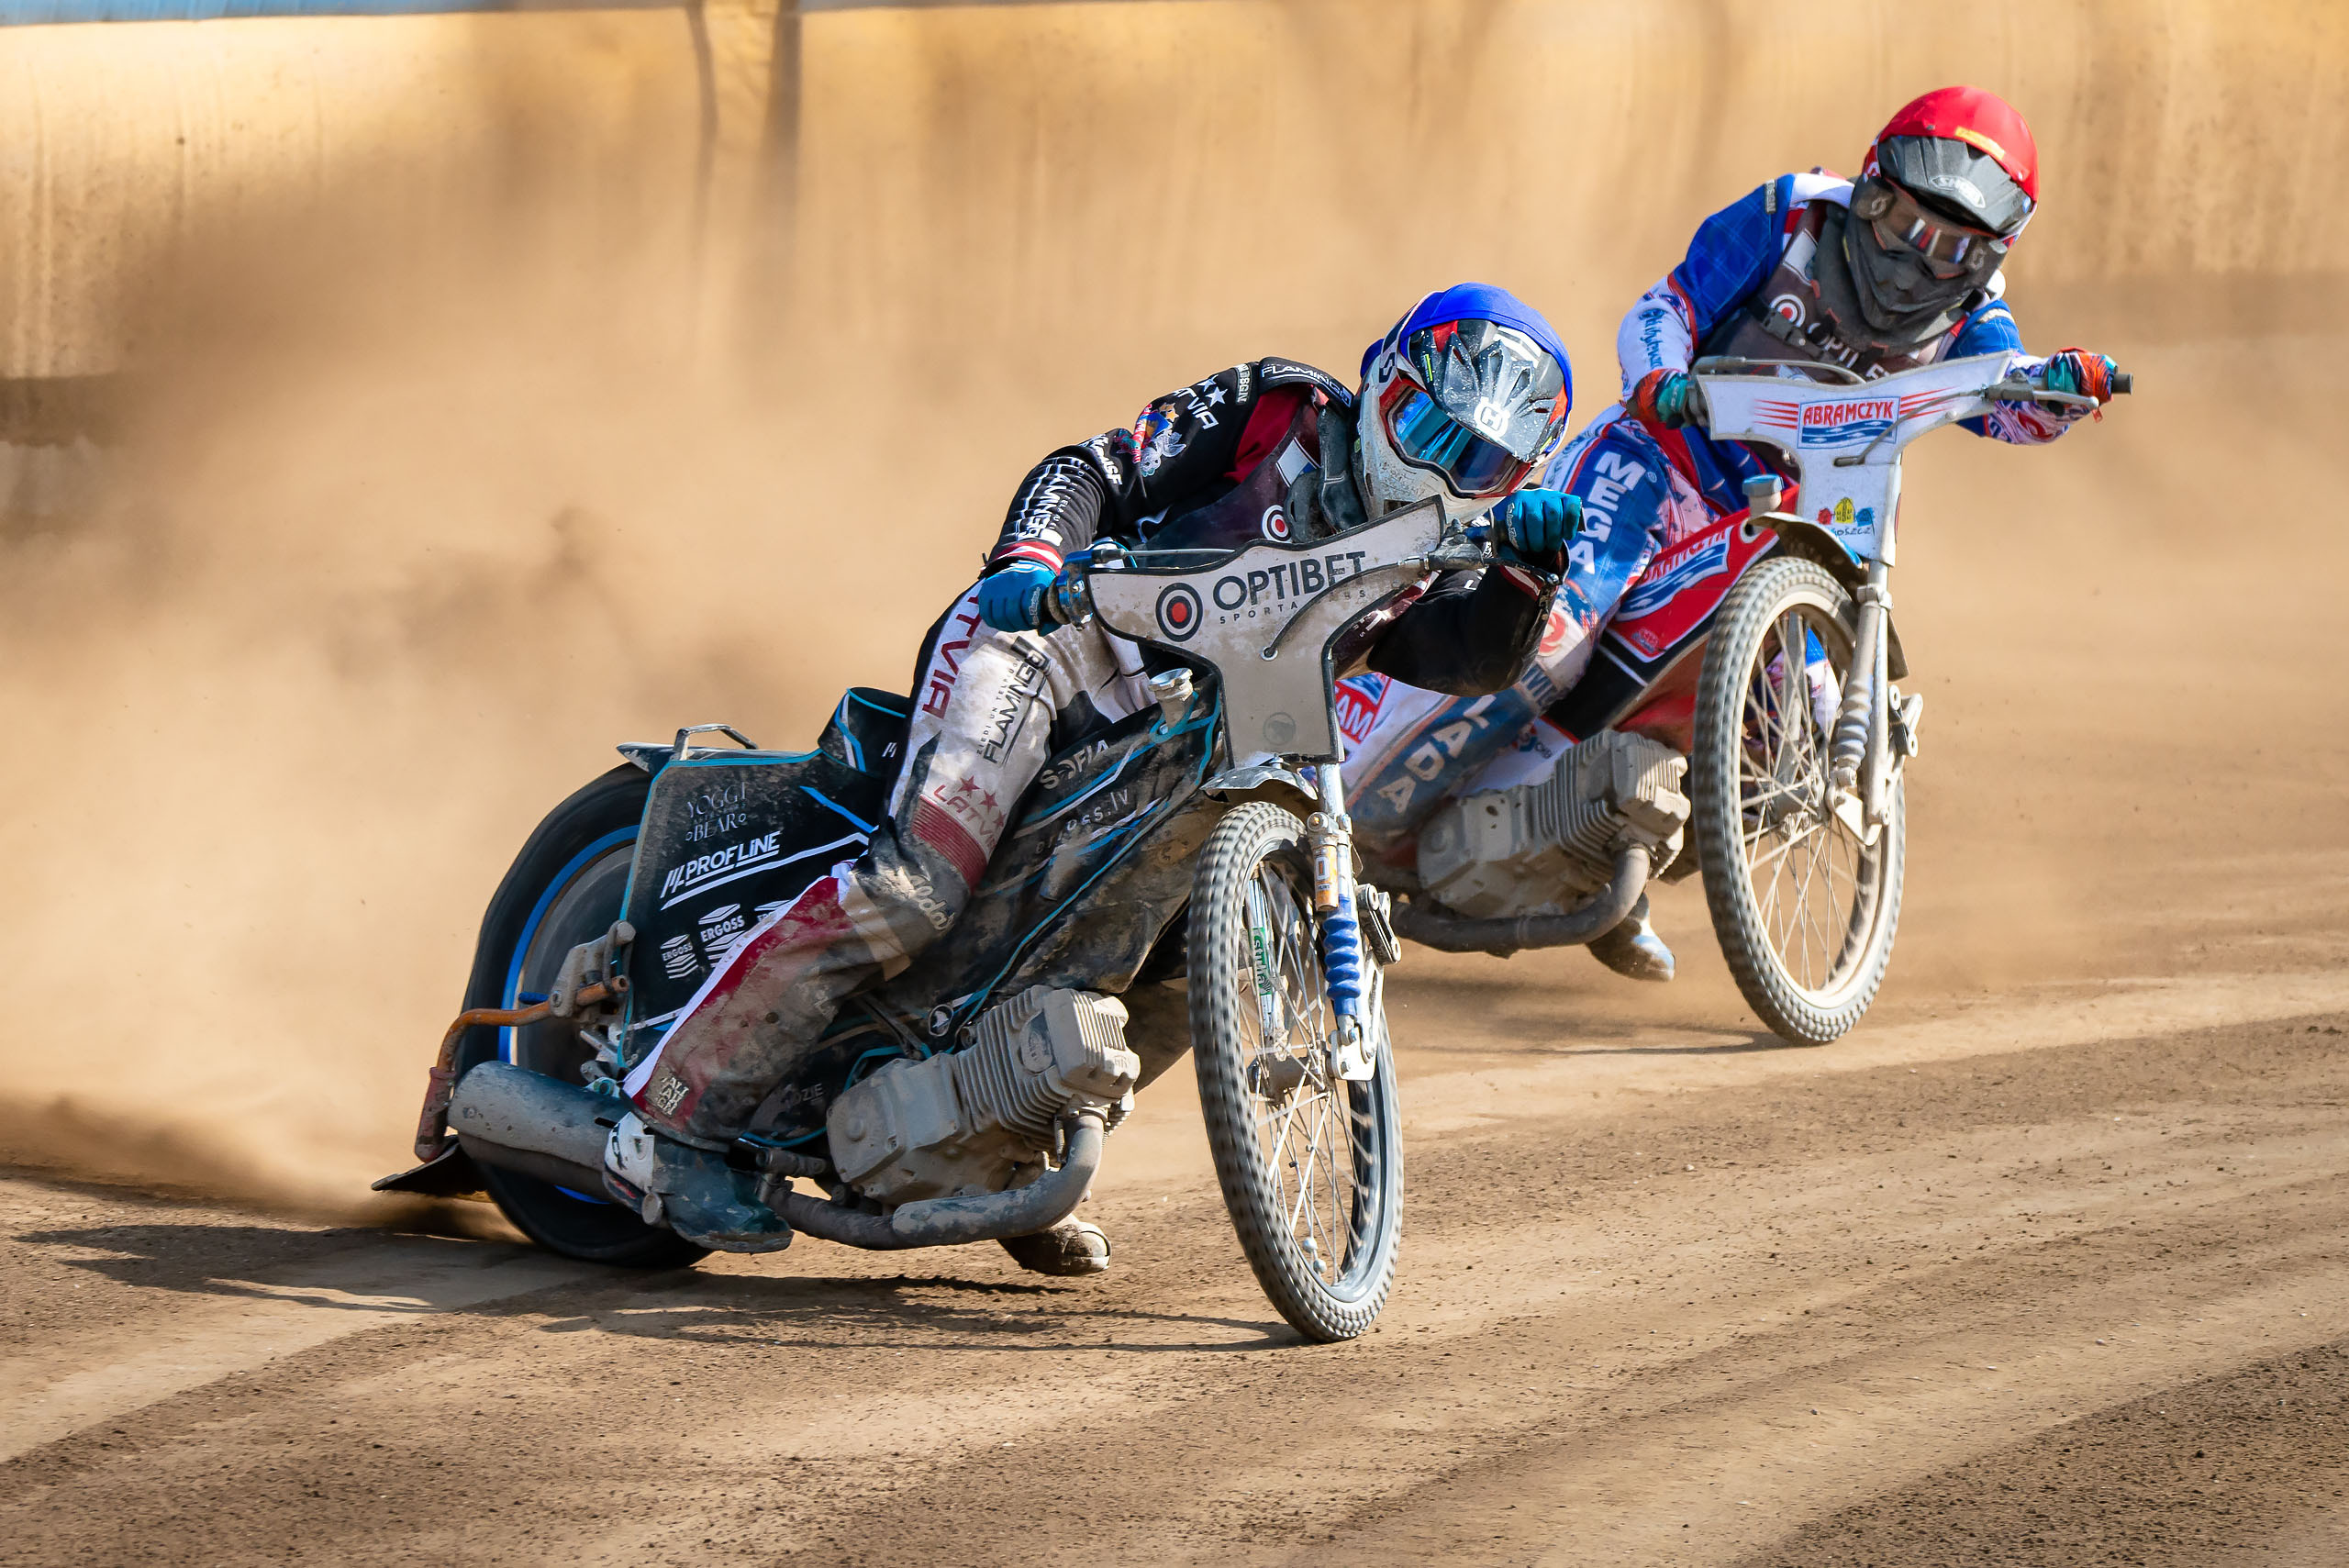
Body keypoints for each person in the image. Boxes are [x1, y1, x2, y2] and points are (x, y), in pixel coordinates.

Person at [602, 284, 1584, 1263]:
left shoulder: (1447, 550)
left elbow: (1463, 659)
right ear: (1380, 377)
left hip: (1200, 740)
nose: (1434, 471)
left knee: (1185, 967)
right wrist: (1032, 554)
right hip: (1057, 646)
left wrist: (1527, 574)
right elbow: (1098, 467)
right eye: (1423, 425)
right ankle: (666, 1124)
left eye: (1479, 461)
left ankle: (1005, 1155)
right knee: (912, 889)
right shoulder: (1277, 408)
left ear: (1517, 475)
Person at [1334, 85, 2124, 984]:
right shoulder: (1789, 216)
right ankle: (1345, 807)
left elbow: (2003, 398)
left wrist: (2059, 390)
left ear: (1989, 255)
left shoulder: (1971, 318)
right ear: (1872, 189)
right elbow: (1661, 308)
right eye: (1905, 223)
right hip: (1653, 466)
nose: (1914, 261)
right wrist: (1657, 379)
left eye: (1948, 246)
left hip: (1809, 510)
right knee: (1553, 640)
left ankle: (1587, 854)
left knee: (1788, 736)